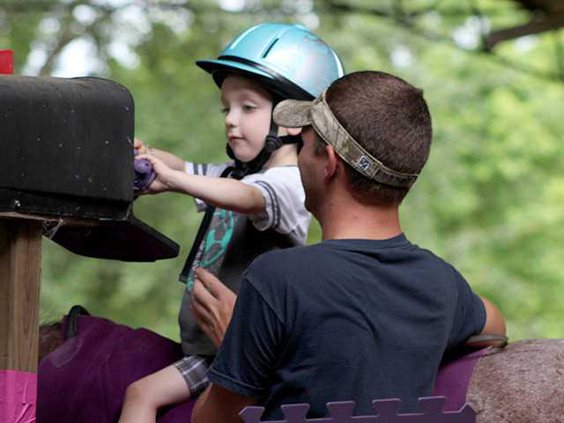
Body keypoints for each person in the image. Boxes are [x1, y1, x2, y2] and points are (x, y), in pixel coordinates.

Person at [191, 70, 506, 422]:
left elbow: (211, 420)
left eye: (304, 147)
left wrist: (236, 346)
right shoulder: (442, 283)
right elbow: (494, 322)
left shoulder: (277, 279)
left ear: (328, 162)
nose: (298, 161)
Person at [118, 23, 344, 423]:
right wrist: (149, 156)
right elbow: (187, 169)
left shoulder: (290, 184)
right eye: (227, 108)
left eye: (247, 108)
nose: (230, 120)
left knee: (141, 395)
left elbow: (249, 198)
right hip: (208, 347)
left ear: (292, 120)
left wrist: (173, 181)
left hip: (241, 352)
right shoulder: (233, 174)